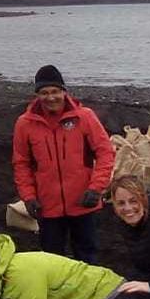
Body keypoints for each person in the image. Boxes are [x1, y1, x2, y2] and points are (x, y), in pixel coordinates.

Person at [12, 65, 114, 264]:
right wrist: (28, 197)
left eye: (55, 91)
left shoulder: (84, 117)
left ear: (64, 92)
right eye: (44, 92)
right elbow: (21, 163)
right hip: (47, 206)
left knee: (87, 257)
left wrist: (96, 188)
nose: (51, 97)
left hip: (84, 203)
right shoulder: (24, 124)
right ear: (37, 95)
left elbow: (105, 152)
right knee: (52, 259)